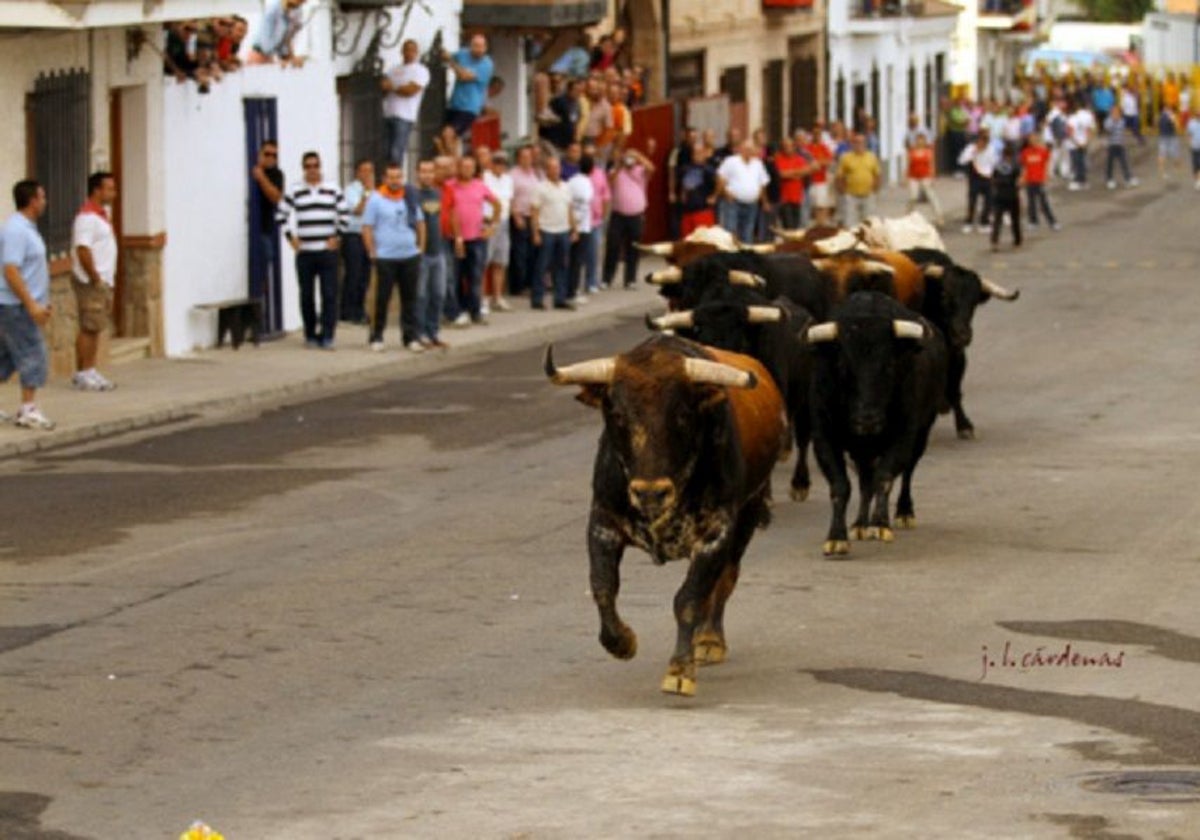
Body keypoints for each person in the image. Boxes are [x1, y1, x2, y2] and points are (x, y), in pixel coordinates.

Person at [277, 151, 347, 349]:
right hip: (305, 252)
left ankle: (327, 335)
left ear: (320, 166)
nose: (312, 170)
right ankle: (310, 333)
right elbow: (281, 215)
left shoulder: (332, 189)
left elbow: (344, 214)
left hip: (327, 251)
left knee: (329, 294)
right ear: (303, 169)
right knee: (306, 295)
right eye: (308, 166)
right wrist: (291, 238)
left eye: (315, 165)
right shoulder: (295, 190)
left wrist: (338, 236)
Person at [0, 180, 55, 430]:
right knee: (33, 353)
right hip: (16, 305)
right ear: (32, 200)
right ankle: (28, 409)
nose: (45, 202)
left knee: (7, 357)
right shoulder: (16, 231)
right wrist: (31, 304)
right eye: (42, 197)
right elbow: (11, 270)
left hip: (20, 303)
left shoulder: (27, 229)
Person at [362, 161, 425, 353]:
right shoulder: (376, 199)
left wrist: (421, 247)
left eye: (398, 177)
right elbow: (367, 227)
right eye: (391, 177)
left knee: (410, 299)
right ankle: (376, 336)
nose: (395, 181)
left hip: (409, 255)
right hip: (385, 257)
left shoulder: (409, 197)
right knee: (382, 299)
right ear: (384, 178)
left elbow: (421, 223)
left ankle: (410, 337)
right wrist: (371, 251)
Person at [70, 171, 119, 392]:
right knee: (89, 325)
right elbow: (83, 249)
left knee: (96, 326)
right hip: (91, 282)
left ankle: (90, 369)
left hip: (102, 280)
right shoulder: (87, 218)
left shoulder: (100, 216)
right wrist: (95, 276)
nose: (113, 193)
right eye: (109, 188)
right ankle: (84, 372)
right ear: (97, 190)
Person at [447, 155, 501, 326]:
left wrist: (492, 225)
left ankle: (475, 311)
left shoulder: (480, 186)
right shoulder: (450, 186)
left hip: (477, 238)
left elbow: (497, 204)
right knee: (455, 276)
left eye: (470, 167)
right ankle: (457, 310)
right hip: (455, 238)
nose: (467, 170)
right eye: (464, 166)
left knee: (475, 277)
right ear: (458, 167)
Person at [604, 142, 655, 289]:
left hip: (636, 215)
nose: (629, 161)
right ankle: (607, 278)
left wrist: (638, 156)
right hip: (618, 214)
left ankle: (630, 279)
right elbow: (610, 180)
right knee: (612, 246)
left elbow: (651, 168)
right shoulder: (616, 170)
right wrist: (620, 163)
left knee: (633, 248)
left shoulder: (640, 170)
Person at [530, 156, 576, 310]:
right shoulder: (540, 188)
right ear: (546, 170)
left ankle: (560, 298)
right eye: (552, 167)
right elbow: (534, 211)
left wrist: (574, 229)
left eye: (557, 167)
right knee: (542, 266)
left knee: (562, 265)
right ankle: (537, 298)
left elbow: (570, 209)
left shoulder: (566, 186)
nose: (555, 170)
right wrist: (535, 232)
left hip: (563, 230)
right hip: (546, 230)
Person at [414, 159, 449, 349]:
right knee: (421, 296)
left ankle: (433, 332)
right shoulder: (413, 195)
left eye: (430, 171)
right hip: (421, 253)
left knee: (438, 293)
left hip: (438, 251)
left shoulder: (437, 194)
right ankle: (420, 333)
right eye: (423, 171)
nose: (427, 175)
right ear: (417, 173)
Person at [381, 39, 429, 169]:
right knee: (386, 151)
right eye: (406, 50)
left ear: (416, 52)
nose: (409, 53)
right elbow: (383, 86)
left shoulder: (420, 71)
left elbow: (411, 90)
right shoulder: (393, 69)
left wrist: (393, 87)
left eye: (412, 50)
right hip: (389, 113)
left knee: (397, 151)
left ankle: (396, 178)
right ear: (402, 51)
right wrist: (392, 87)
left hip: (405, 116)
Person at [250, 140, 284, 318]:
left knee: (263, 269)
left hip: (264, 229)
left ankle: (259, 314)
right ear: (259, 154)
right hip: (249, 230)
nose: (271, 158)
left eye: (274, 155)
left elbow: (276, 197)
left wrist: (261, 177)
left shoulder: (276, 174)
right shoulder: (249, 169)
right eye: (267, 154)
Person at [340, 159, 374, 324]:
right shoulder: (351, 190)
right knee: (353, 273)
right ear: (357, 172)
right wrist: (366, 193)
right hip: (353, 235)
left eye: (370, 171)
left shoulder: (376, 191)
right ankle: (348, 310)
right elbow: (358, 210)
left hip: (369, 237)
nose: (367, 174)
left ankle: (360, 309)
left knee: (365, 276)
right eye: (364, 171)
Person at [442, 33, 494, 143]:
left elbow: (464, 76)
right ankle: (452, 159)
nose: (478, 49)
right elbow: (448, 56)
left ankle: (451, 159)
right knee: (447, 138)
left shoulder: (486, 64)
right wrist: (445, 55)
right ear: (470, 46)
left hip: (470, 107)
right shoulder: (462, 54)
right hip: (454, 104)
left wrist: (451, 63)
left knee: (448, 133)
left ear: (485, 48)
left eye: (481, 46)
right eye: (475, 46)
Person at [715, 138, 768, 242]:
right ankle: (730, 257)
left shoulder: (758, 163)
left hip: (752, 204)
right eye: (747, 148)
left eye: (751, 149)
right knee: (730, 233)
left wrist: (763, 199)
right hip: (733, 203)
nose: (750, 151)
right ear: (741, 149)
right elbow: (720, 178)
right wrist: (726, 193)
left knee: (748, 233)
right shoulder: (731, 161)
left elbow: (763, 183)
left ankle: (745, 256)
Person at [480, 147, 514, 313]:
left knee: (500, 261)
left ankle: (497, 297)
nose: (500, 165)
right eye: (497, 162)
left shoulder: (508, 179)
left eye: (503, 163)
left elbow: (509, 200)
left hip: (504, 221)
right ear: (491, 164)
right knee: (484, 262)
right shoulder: (485, 177)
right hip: (488, 222)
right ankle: (481, 299)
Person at [507, 144, 541, 297]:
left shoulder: (536, 174)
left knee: (533, 253)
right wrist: (515, 215)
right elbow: (510, 197)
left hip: (533, 217)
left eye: (530, 156)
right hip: (520, 216)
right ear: (519, 158)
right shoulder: (513, 174)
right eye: (525, 156)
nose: (528, 159)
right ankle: (517, 286)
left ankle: (529, 284)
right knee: (519, 254)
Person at [566, 154, 595, 304]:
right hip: (582, 227)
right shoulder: (587, 183)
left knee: (570, 259)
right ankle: (573, 291)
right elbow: (587, 202)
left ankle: (568, 289)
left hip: (570, 224)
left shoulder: (571, 181)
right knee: (577, 260)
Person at [835, 132, 881, 227]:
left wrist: (875, 189)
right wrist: (842, 190)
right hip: (851, 196)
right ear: (852, 144)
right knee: (850, 223)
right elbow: (839, 176)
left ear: (865, 144)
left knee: (869, 223)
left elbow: (877, 174)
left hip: (868, 195)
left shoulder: (871, 157)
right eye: (856, 142)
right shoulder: (846, 157)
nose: (859, 144)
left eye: (861, 142)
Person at [583, 140, 610, 293]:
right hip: (580, 221)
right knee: (579, 254)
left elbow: (605, 195)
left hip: (596, 220)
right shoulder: (578, 173)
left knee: (594, 252)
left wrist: (604, 216)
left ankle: (591, 281)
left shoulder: (600, 174)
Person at [247, 0, 306, 66]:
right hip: (258, 55)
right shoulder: (272, 10)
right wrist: (285, 57)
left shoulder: (295, 10)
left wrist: (291, 56)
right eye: (301, 1)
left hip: (270, 56)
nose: (304, 2)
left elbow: (287, 38)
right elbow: (266, 46)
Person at [676, 140, 717, 236]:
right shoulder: (685, 168)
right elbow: (683, 184)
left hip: (703, 211)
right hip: (687, 211)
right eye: (695, 152)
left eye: (699, 152)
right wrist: (683, 194)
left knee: (703, 242)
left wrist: (714, 196)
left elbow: (720, 181)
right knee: (687, 241)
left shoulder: (709, 169)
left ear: (704, 153)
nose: (697, 155)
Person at [958, 129, 995, 233]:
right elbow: (961, 160)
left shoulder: (991, 149)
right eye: (981, 141)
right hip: (975, 177)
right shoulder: (970, 148)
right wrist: (974, 153)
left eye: (985, 141)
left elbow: (993, 163)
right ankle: (968, 222)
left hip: (987, 177)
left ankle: (984, 222)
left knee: (989, 201)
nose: (983, 144)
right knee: (972, 201)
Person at [1020, 131, 1058, 231]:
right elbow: (1025, 167)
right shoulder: (1025, 153)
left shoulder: (1043, 151)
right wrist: (1023, 178)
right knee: (1031, 202)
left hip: (1040, 180)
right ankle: (1033, 222)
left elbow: (1047, 165)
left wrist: (1047, 176)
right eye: (1030, 140)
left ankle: (1052, 222)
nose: (1032, 141)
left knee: (1043, 202)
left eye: (1034, 139)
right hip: (1030, 180)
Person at [904, 132, 944, 227]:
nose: (920, 142)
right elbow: (908, 165)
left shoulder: (928, 152)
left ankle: (939, 217)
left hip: (925, 176)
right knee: (913, 197)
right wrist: (905, 177)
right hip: (913, 177)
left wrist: (932, 177)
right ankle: (907, 216)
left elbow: (931, 165)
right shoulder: (912, 152)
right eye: (918, 140)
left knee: (931, 196)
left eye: (922, 140)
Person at [989, 143, 1021, 252]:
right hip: (1012, 195)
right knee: (1015, 220)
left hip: (999, 195)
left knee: (997, 220)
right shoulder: (1015, 165)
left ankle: (995, 242)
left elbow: (992, 179)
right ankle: (1017, 241)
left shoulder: (997, 166)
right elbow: (1019, 180)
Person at [1103, 104, 1138, 190]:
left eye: (1118, 112)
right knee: (1110, 163)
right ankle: (1109, 179)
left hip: (1120, 145)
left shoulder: (1122, 121)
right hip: (1111, 145)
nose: (1116, 113)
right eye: (1114, 111)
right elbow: (1108, 130)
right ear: (1111, 112)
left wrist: (1124, 140)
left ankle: (1128, 178)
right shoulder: (1108, 121)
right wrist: (1114, 121)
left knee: (1124, 162)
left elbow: (1122, 132)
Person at [1066, 99, 1096, 191]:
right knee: (1082, 162)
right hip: (1084, 142)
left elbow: (1070, 133)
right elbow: (1090, 130)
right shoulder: (1089, 116)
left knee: (1076, 163)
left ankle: (1077, 181)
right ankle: (1083, 181)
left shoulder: (1071, 118)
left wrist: (1077, 143)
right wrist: (1086, 142)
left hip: (1073, 144)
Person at [1158, 103, 1182, 180]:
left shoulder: (1160, 116)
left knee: (1162, 154)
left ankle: (1162, 173)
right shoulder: (1171, 115)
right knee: (1175, 154)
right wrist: (1174, 119)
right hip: (1171, 137)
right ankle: (1177, 168)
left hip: (1162, 137)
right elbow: (1177, 126)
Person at [1188, 108, 1200, 190]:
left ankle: (1198, 181)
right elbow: (1189, 135)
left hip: (1194, 147)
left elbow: (1189, 135)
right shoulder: (1191, 123)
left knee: (1196, 165)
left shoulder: (1191, 123)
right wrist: (1190, 144)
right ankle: (1197, 181)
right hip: (1195, 147)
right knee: (1196, 165)